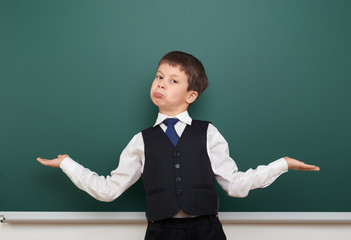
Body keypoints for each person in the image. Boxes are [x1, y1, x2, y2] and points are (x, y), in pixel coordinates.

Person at [37, 51, 320, 240]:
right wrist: (67, 164)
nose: (161, 84)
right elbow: (109, 190)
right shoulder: (141, 140)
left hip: (207, 230)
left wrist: (281, 164)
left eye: (173, 80)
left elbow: (234, 185)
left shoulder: (208, 133)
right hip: (160, 232)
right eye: (159, 76)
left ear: (191, 95)